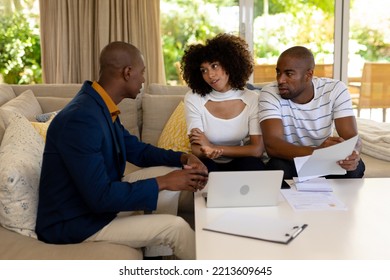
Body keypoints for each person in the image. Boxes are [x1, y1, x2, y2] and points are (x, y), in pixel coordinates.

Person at [35, 41, 208, 260]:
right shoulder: (81, 119)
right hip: (74, 221)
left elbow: (138, 151)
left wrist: (183, 157)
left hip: (91, 204)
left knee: (170, 170)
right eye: (142, 72)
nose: (144, 79)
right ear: (128, 72)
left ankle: (157, 256)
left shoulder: (99, 106)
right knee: (176, 228)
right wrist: (165, 181)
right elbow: (100, 198)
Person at [259, 46, 365, 179]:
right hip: (291, 159)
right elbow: (272, 145)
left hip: (325, 161)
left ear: (308, 75)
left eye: (289, 74)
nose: (280, 80)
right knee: (277, 167)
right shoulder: (270, 93)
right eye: (278, 72)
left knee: (355, 168)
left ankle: (336, 200)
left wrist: (354, 153)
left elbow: (353, 138)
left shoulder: (335, 89)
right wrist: (318, 152)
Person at [180, 33, 265, 172]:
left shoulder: (252, 98)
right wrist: (207, 151)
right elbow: (196, 148)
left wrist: (213, 148)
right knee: (201, 170)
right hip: (207, 160)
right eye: (204, 70)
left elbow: (256, 150)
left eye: (214, 66)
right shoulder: (194, 98)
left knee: (253, 165)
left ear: (229, 64)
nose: (210, 75)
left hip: (241, 160)